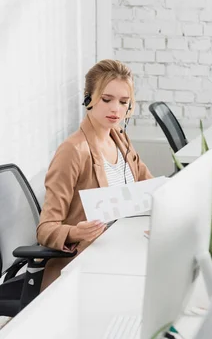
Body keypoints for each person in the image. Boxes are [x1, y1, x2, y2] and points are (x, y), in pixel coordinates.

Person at [37, 60, 153, 290]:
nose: (115, 110)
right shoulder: (73, 151)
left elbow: (150, 187)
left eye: (123, 102)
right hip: (89, 263)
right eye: (106, 99)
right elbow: (45, 229)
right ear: (88, 98)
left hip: (123, 249)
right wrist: (75, 232)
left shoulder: (119, 138)